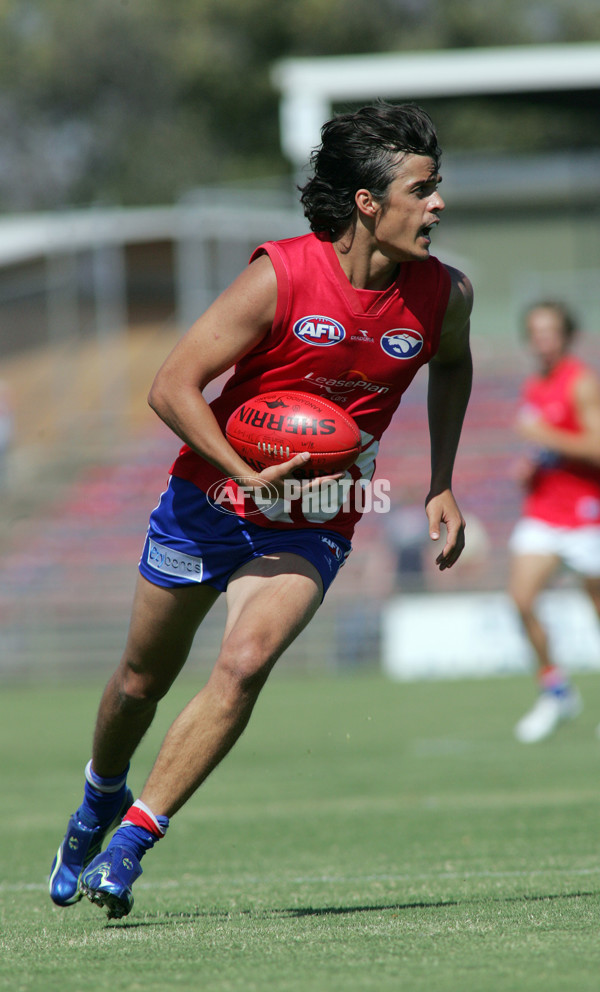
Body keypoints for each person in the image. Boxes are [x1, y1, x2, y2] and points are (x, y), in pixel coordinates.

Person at [49, 101, 473, 919]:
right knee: (140, 681)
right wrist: (247, 471)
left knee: (246, 660)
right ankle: (100, 796)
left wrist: (442, 479)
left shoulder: (443, 294)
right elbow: (172, 385)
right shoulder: (280, 274)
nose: (438, 206)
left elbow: (451, 367)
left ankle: (132, 841)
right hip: (207, 501)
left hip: (320, 515)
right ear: (366, 203)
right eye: (422, 190)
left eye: (438, 188)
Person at [509, 301, 600, 743]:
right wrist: (531, 466)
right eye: (535, 331)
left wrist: (544, 438)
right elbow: (546, 448)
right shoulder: (533, 385)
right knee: (522, 599)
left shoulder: (581, 383)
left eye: (550, 330)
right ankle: (556, 689)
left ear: (566, 334)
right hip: (544, 512)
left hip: (586, 514)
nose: (542, 338)